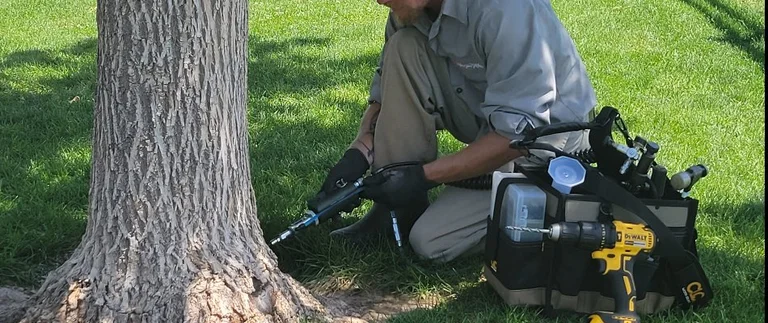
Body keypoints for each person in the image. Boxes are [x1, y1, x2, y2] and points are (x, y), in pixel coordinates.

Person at [312, 0, 597, 263]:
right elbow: (386, 89)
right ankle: (393, 213)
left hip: (546, 146)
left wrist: (421, 177)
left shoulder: (503, 9)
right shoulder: (411, 8)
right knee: (404, 46)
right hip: (488, 120)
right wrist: (359, 151)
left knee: (431, 242)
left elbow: (519, 135)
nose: (378, 0)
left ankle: (555, 209)